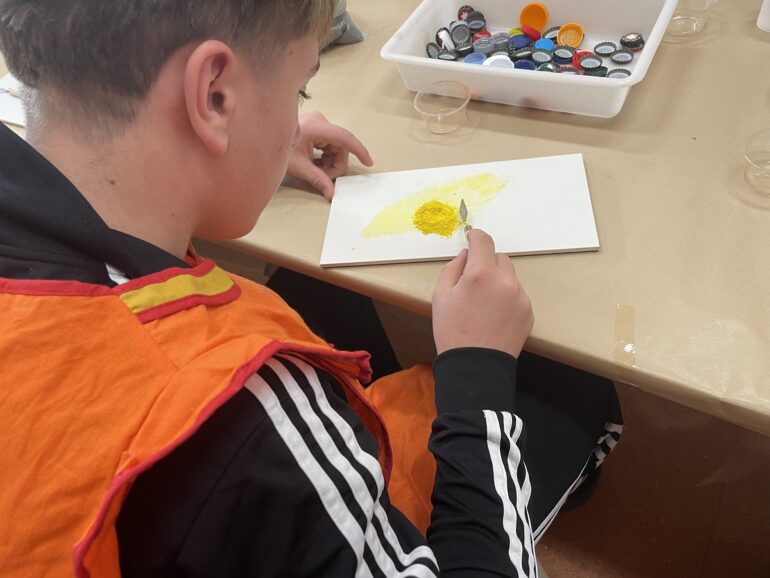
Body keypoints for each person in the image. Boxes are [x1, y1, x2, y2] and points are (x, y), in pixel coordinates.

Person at [0, 1, 622, 576]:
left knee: (320, 294)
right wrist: (478, 370)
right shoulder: (252, 411)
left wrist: (240, 150)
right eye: (298, 90)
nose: (297, 114)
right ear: (213, 95)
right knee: (575, 392)